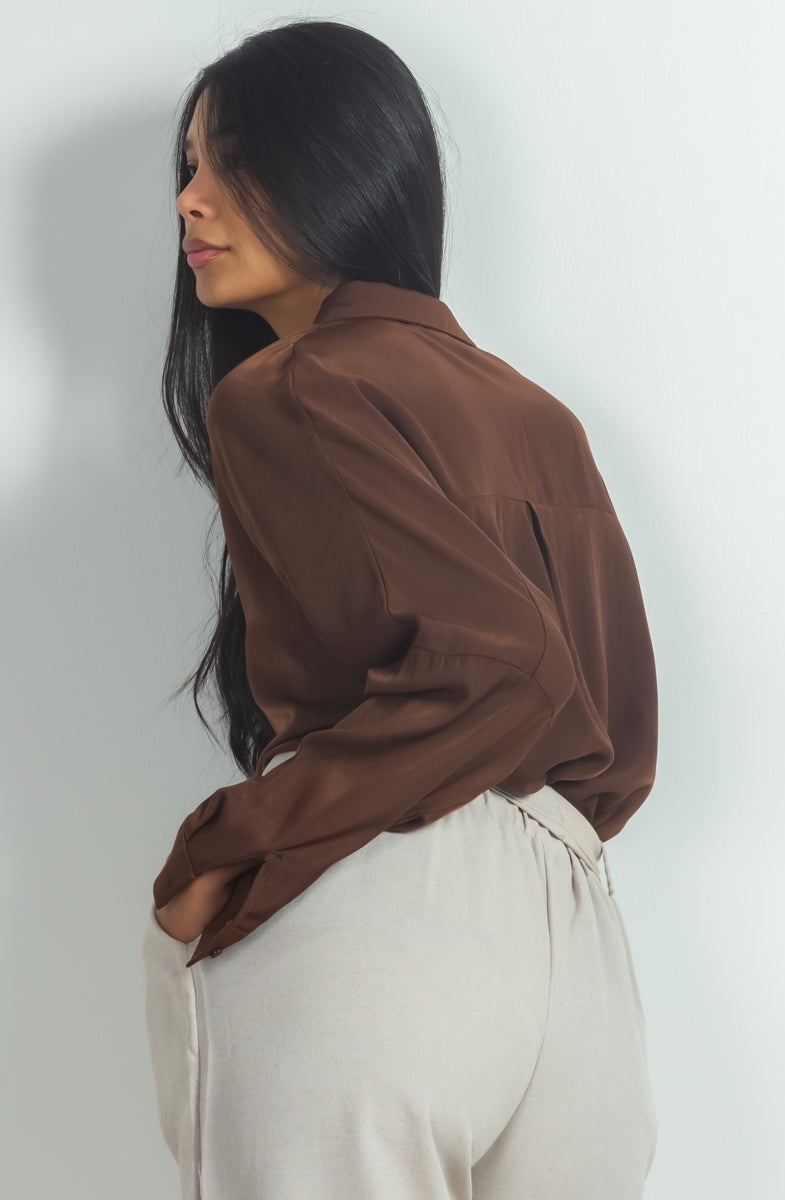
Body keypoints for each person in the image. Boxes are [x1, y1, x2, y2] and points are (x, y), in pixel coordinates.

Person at [141, 17, 659, 1200]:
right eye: (188, 165)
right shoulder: (535, 414)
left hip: (374, 910)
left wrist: (221, 847)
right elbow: (609, 742)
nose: (189, 200)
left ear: (340, 168)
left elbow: (500, 662)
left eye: (233, 161)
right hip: (570, 942)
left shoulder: (285, 388)